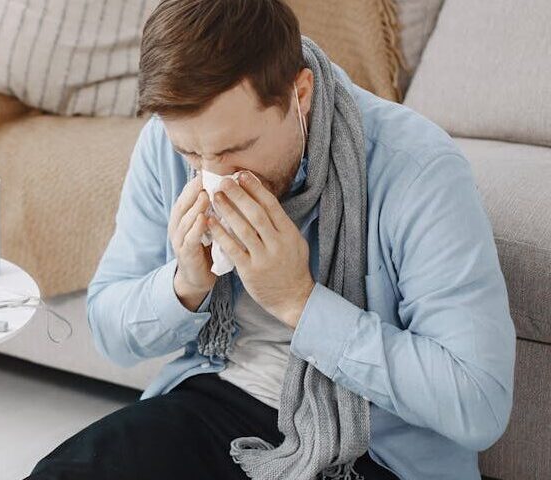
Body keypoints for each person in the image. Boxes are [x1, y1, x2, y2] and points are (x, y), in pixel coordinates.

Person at [26, 1, 515, 479]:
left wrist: (300, 303)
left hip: (371, 446)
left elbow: (478, 404)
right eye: (192, 153)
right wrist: (184, 284)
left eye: (236, 150)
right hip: (219, 397)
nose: (212, 174)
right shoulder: (167, 146)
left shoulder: (417, 171)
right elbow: (110, 331)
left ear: (298, 94)